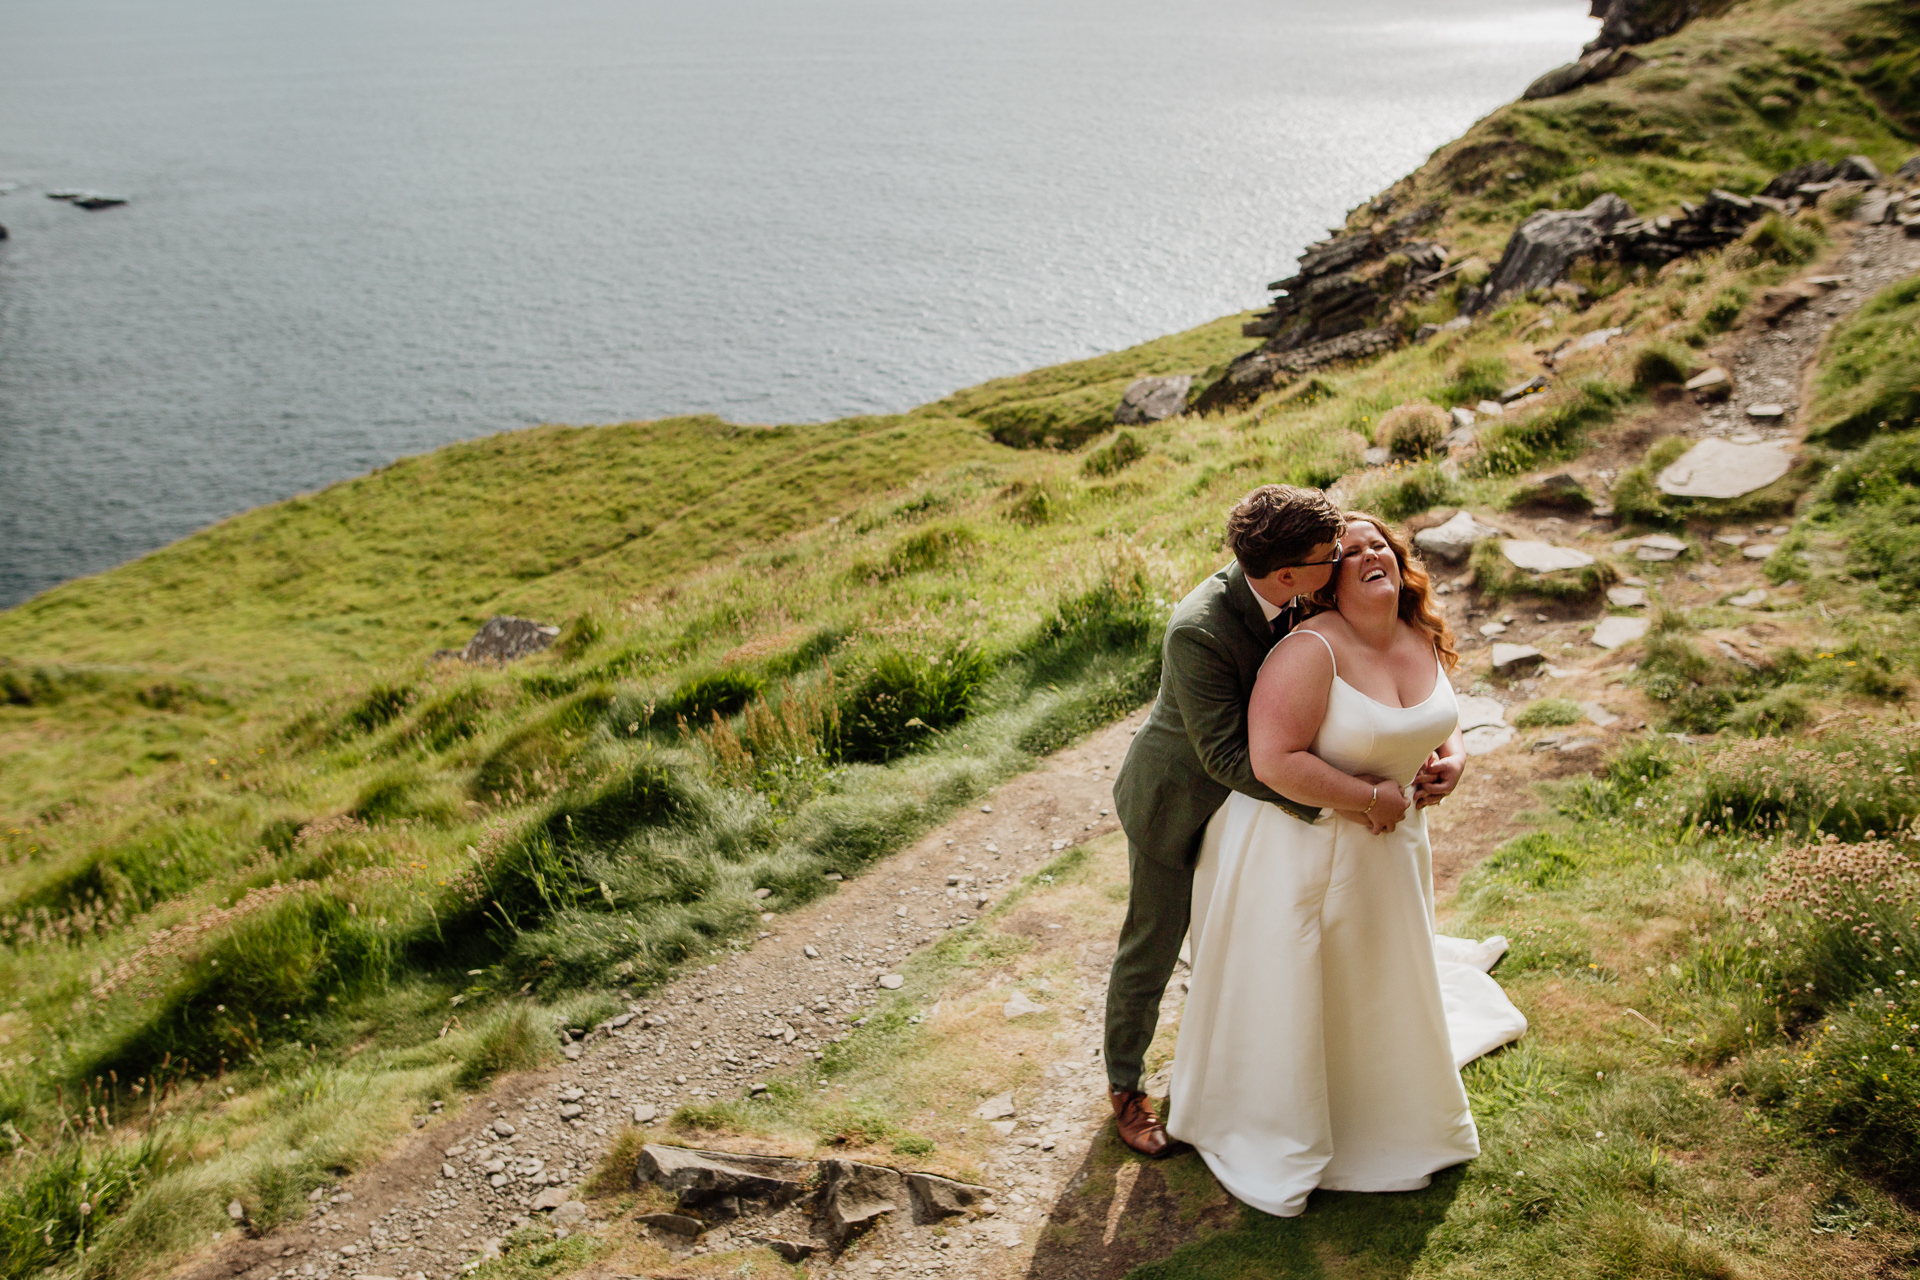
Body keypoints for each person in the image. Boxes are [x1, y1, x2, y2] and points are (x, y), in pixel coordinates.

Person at [1164, 512, 1526, 1216]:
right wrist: (1366, 797)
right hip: (1303, 849)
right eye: (1351, 550)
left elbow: (1436, 722)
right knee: (1311, 984)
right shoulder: (1308, 652)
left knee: (1382, 979)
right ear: (1328, 579)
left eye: (1379, 544)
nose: (1369, 555)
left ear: (1398, 558)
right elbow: (1273, 761)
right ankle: (1298, 1123)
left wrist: (1453, 760)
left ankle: (1388, 1096)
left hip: (1392, 847)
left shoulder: (1418, 634)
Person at [1105, 484, 1347, 1157]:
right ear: (1288, 574)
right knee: (1151, 946)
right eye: (1332, 556)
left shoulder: (1303, 590)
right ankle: (1125, 1087)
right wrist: (1327, 797)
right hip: (1176, 803)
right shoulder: (1198, 629)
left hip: (1247, 811)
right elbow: (1222, 756)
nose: (1343, 561)